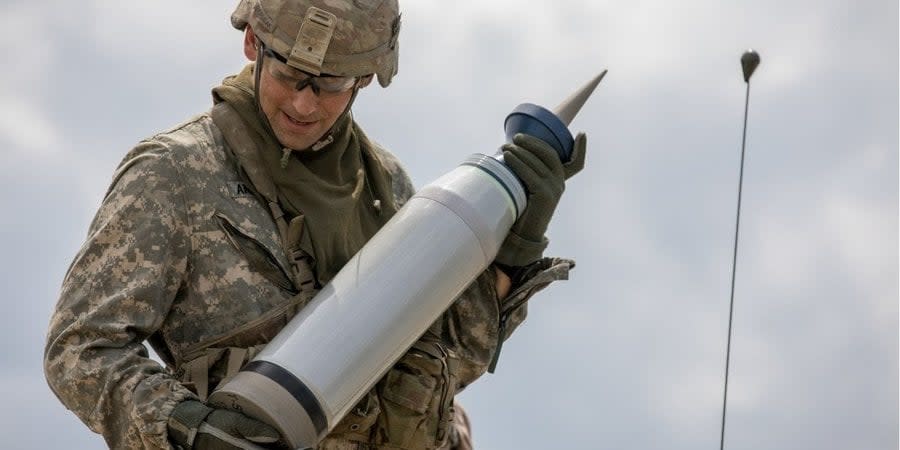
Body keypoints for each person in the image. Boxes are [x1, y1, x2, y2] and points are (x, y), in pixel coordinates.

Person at [44, 1, 586, 449]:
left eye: (330, 85)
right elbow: (80, 347)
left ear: (367, 80)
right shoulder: (176, 174)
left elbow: (447, 359)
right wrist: (187, 426)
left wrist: (513, 247)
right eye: (290, 76)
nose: (305, 104)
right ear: (253, 45)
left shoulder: (385, 186)